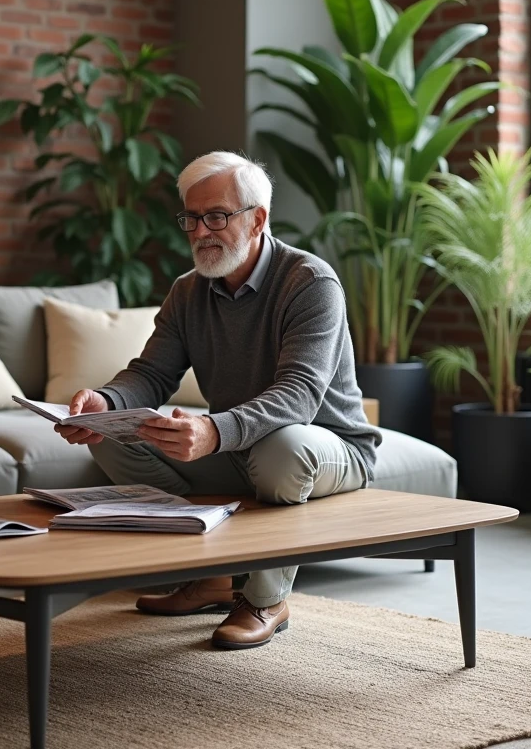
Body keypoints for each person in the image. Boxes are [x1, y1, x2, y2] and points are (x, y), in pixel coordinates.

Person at [54, 151, 382, 650]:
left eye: (217, 216)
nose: (201, 231)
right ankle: (208, 578)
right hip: (239, 447)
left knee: (284, 449)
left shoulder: (310, 283)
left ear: (258, 219)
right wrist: (107, 402)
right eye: (191, 218)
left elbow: (300, 395)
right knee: (112, 438)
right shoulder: (188, 292)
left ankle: (266, 598)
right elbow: (151, 373)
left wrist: (213, 431)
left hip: (327, 448)